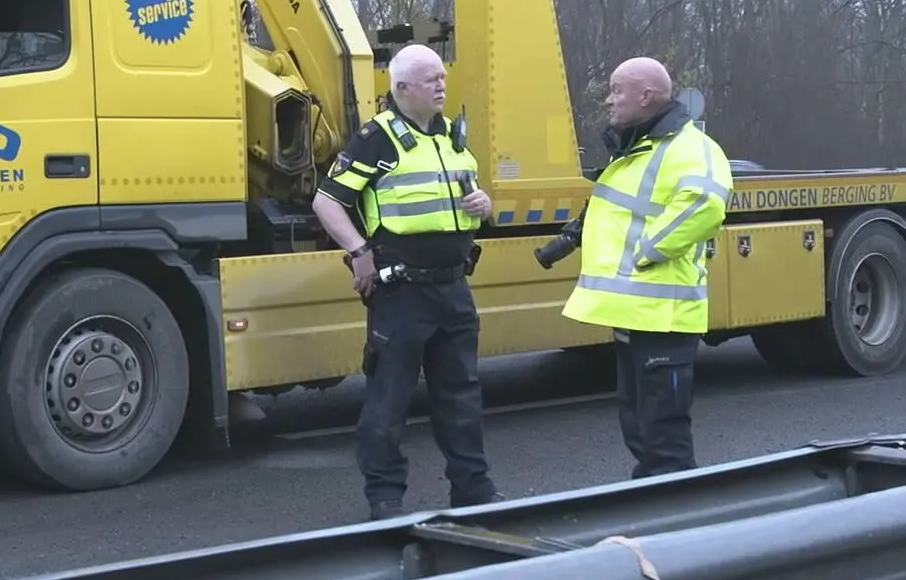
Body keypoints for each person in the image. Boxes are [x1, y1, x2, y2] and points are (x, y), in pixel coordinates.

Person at [311, 43, 498, 520]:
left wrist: (484, 204)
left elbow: (464, 198)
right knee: (388, 400)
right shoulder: (378, 138)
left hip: (453, 287)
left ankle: (473, 492)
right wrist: (359, 252)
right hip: (402, 293)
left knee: (462, 395)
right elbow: (326, 201)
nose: (441, 84)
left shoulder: (452, 137)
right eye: (431, 78)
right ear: (401, 88)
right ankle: (386, 500)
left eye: (442, 76)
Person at [538, 56, 731, 479]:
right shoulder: (637, 149)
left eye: (617, 90)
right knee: (640, 426)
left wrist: (649, 252)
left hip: (664, 314)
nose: (609, 100)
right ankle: (651, 510)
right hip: (636, 311)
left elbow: (704, 206)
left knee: (664, 436)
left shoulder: (690, 148)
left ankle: (677, 521)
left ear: (646, 96)